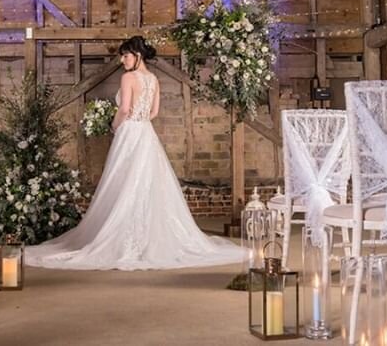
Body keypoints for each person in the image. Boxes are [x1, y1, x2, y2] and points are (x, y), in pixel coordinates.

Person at [25, 36, 248, 270]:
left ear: (138, 56)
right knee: (146, 183)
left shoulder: (128, 78)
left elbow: (124, 108)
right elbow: (153, 112)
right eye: (122, 56)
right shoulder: (153, 79)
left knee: (123, 181)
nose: (122, 60)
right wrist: (136, 120)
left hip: (129, 132)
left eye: (126, 55)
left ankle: (125, 236)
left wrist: (113, 124)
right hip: (146, 133)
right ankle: (145, 237)